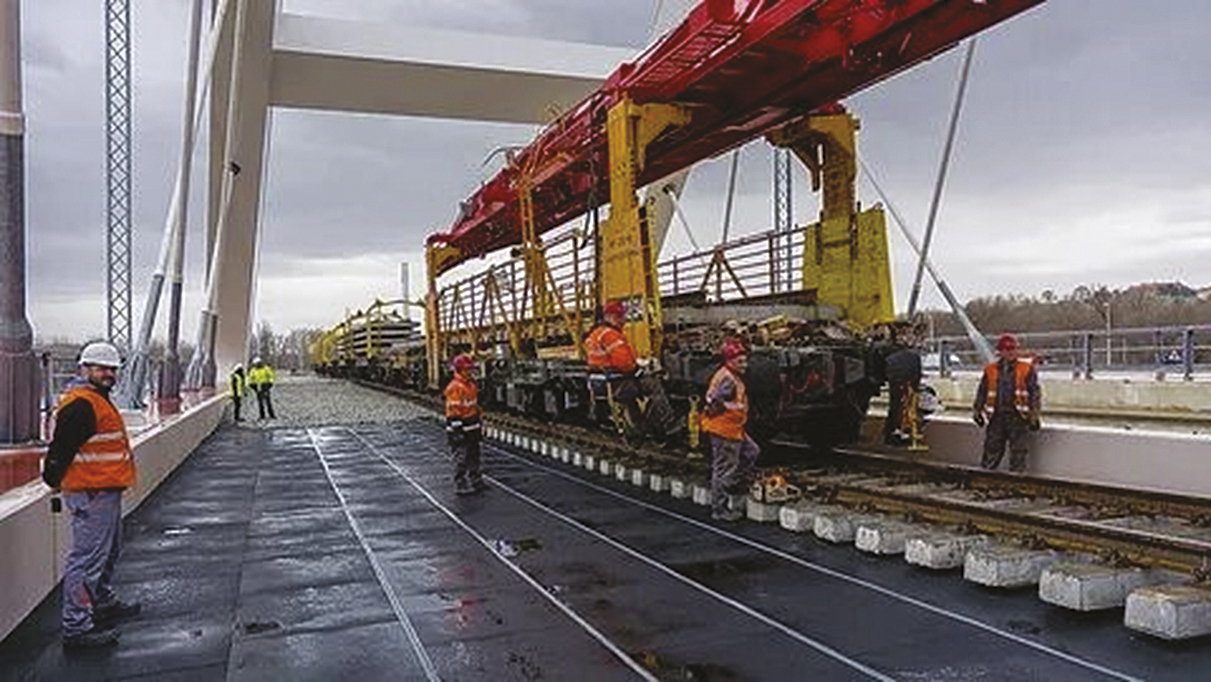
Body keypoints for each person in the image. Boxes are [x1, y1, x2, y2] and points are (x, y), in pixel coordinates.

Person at [42, 342, 141, 650]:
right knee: (86, 561)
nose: (108, 374)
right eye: (101, 368)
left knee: (108, 552)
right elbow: (59, 452)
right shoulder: (82, 405)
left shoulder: (96, 400)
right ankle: (77, 627)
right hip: (91, 495)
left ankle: (100, 601)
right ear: (84, 369)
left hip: (103, 492)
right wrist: (54, 481)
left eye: (112, 369)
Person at [584, 300, 680, 442]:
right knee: (653, 385)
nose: (623, 321)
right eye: (621, 317)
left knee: (631, 397)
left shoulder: (594, 335)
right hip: (615, 383)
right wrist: (639, 369)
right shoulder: (611, 335)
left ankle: (639, 428)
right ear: (611, 316)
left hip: (601, 383)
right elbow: (625, 363)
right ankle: (668, 423)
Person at [700, 338, 760, 521]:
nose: (745, 365)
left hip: (734, 429)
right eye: (740, 361)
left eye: (745, 360)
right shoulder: (728, 380)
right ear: (729, 361)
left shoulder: (728, 375)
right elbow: (714, 402)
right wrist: (717, 412)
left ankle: (734, 484)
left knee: (751, 452)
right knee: (725, 468)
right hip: (724, 431)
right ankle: (720, 509)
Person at [973, 333, 1041, 472]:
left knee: (1018, 452)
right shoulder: (990, 369)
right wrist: (977, 410)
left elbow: (1034, 392)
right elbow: (982, 391)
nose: (1010, 352)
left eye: (1013, 348)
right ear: (1000, 351)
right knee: (992, 450)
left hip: (1018, 417)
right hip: (996, 417)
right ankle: (986, 479)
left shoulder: (1026, 368)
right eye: (1007, 349)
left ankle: (1016, 481)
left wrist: (1034, 414)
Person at [445, 353, 484, 495]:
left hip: (472, 427)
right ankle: (460, 484)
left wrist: (479, 423)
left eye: (471, 369)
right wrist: (457, 432)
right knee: (461, 458)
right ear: (459, 370)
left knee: (475, 455)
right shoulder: (455, 388)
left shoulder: (471, 386)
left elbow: (474, 406)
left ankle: (476, 481)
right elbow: (454, 411)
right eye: (468, 369)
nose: (470, 372)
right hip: (461, 429)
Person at [883, 331, 923, 446]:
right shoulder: (914, 357)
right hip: (908, 385)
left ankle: (892, 433)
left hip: (897, 385)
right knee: (906, 410)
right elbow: (917, 374)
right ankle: (900, 434)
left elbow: (889, 373)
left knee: (896, 408)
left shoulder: (891, 358)